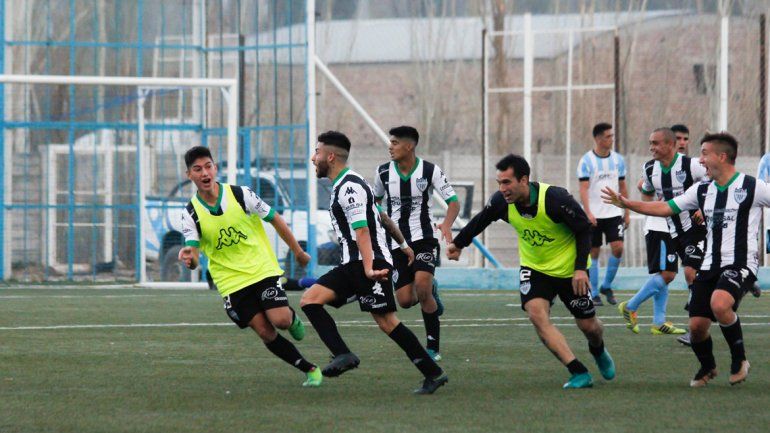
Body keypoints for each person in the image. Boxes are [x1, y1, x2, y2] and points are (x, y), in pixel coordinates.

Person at [602, 132, 760, 387]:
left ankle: (739, 360)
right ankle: (708, 367)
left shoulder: (752, 186)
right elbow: (665, 207)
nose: (700, 159)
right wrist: (627, 203)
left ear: (722, 157)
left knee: (719, 304)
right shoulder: (702, 190)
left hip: (740, 262)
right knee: (696, 326)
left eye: (705, 154)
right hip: (709, 263)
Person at [447, 154, 615, 389]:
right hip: (535, 269)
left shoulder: (556, 199)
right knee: (537, 315)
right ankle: (578, 371)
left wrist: (580, 270)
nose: (502, 189)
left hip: (569, 271)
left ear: (524, 180)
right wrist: (458, 244)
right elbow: (481, 219)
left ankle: (598, 349)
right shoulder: (501, 202)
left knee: (589, 327)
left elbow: (584, 230)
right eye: (499, 183)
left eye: (507, 182)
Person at [299, 131, 448, 394]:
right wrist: (404, 245)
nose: (313, 158)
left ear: (330, 157)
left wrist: (369, 267)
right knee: (310, 300)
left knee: (387, 322)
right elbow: (384, 218)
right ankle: (343, 354)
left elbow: (362, 230)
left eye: (317, 152)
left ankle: (433, 373)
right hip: (355, 264)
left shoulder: (350, 187)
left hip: (366, 263)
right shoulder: (352, 184)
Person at [177, 146, 321, 387]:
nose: (204, 173)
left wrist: (297, 251)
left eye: (208, 167)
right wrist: (189, 259)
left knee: (281, 321)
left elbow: (274, 218)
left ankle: (292, 318)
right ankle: (310, 369)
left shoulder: (240, 194)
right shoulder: (190, 213)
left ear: (215, 168)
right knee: (265, 331)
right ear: (189, 175)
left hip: (261, 269)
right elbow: (192, 256)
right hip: (231, 282)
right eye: (197, 169)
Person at [372, 126, 460, 362]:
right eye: (390, 142)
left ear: (409, 146)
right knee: (405, 300)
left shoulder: (430, 170)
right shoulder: (382, 172)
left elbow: (453, 202)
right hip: (397, 243)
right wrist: (380, 217)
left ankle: (432, 347)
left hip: (424, 239)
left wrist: (447, 224)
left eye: (395, 143)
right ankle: (432, 289)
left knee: (421, 287)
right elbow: (375, 201)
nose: (390, 147)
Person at [619, 128, 705, 337]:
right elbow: (647, 192)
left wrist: (703, 207)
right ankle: (652, 316)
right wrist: (648, 200)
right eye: (650, 143)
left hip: (694, 228)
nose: (651, 148)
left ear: (670, 144)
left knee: (688, 272)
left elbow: (713, 182)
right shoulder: (650, 169)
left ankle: (690, 324)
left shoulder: (692, 165)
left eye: (655, 143)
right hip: (669, 229)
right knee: (669, 273)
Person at [577, 122, 629, 306]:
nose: (611, 139)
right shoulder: (586, 161)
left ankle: (606, 285)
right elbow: (583, 189)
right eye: (608, 136)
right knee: (594, 252)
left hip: (614, 212)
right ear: (598, 138)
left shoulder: (618, 160)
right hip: (594, 215)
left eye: (612, 136)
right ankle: (595, 292)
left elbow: (622, 186)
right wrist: (588, 212)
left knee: (618, 248)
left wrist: (626, 211)